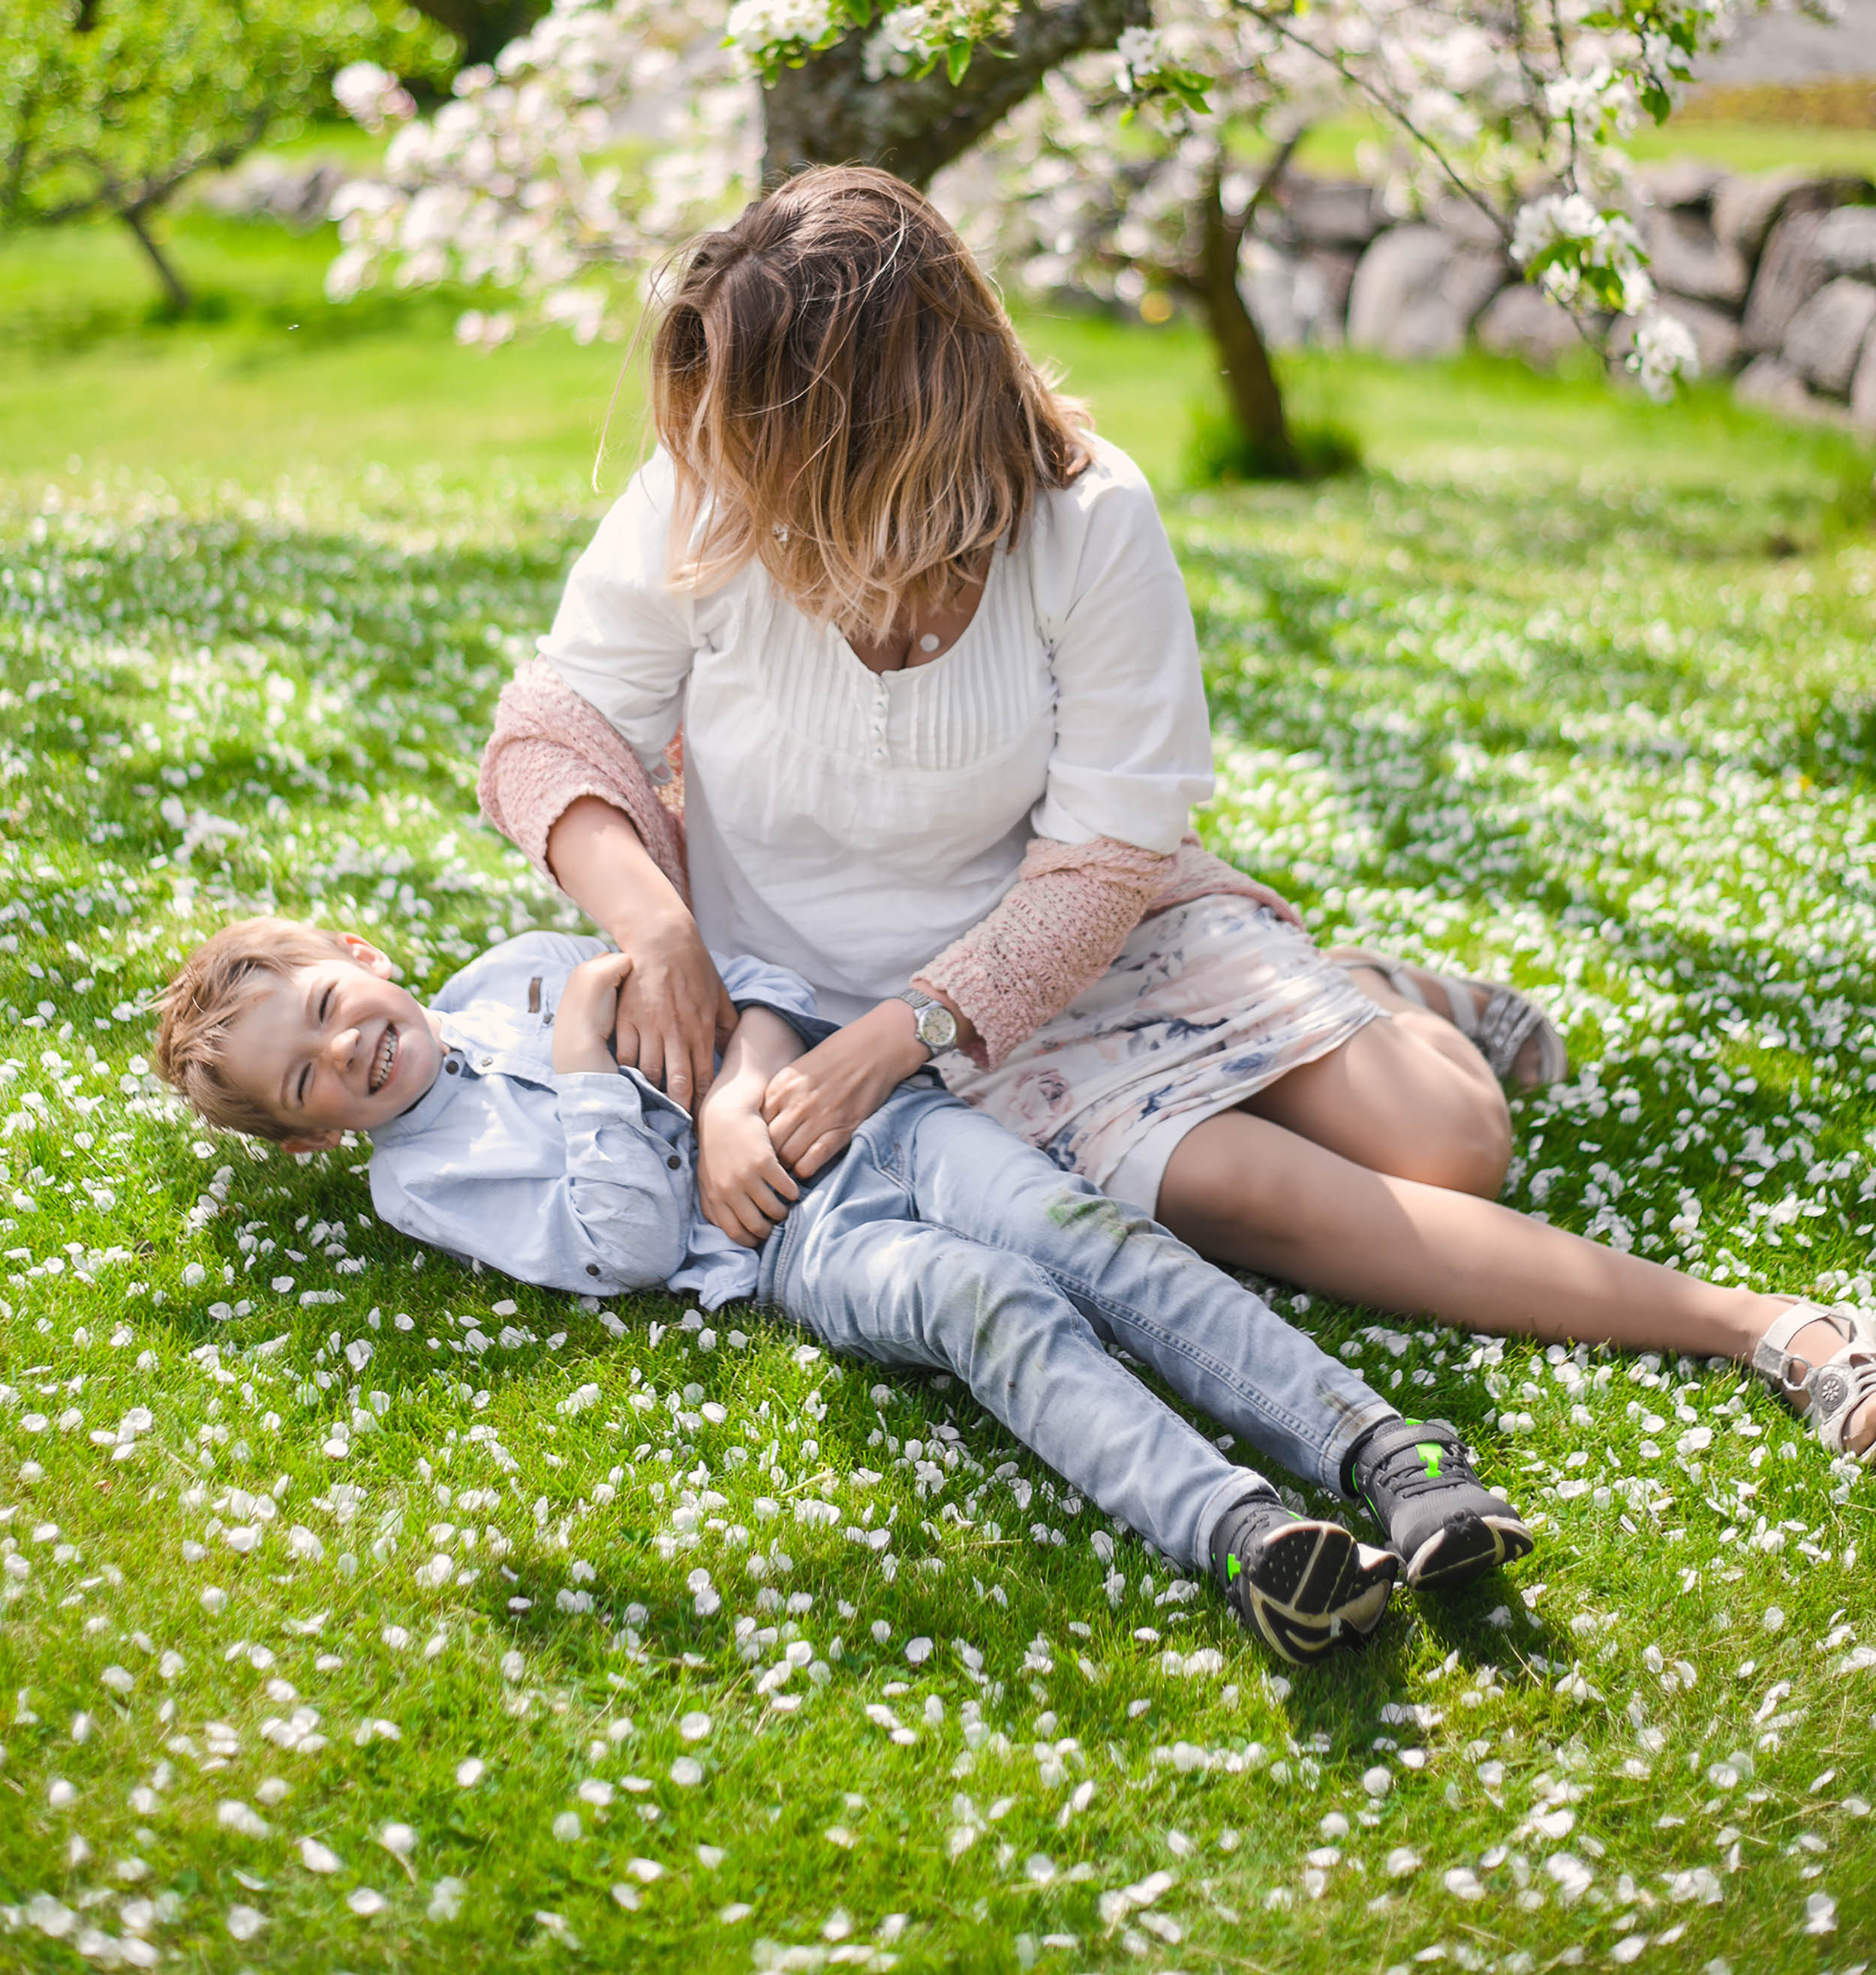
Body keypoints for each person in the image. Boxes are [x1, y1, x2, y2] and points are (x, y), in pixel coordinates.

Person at [479, 167, 1876, 1468]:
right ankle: (1759, 1324)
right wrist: (661, 929)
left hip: (1067, 951)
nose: (730, 466)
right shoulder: (704, 497)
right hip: (815, 1009)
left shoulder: (1087, 522)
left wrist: (894, 1044)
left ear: (886, 428)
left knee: (1457, 1143)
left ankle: (1385, 997)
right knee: (1271, 1201)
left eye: (773, 432)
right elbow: (549, 737)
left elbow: (1097, 868)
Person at [150, 915, 1537, 1659]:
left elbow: (747, 980)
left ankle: (1385, 1452)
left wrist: (742, 1074)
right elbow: (624, 1245)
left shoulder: (517, 965)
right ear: (314, 1139)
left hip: (876, 1118)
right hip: (787, 1244)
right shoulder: (423, 1179)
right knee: (987, 1305)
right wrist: (584, 1052)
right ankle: (1247, 1540)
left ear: (359, 959)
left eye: (326, 1010)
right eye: (306, 1081)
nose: (345, 1053)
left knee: (1084, 1235)